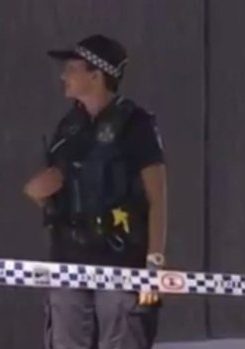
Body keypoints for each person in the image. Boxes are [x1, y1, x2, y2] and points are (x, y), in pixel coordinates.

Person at [23, 34, 167, 349]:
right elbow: (62, 197)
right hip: (68, 261)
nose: (64, 76)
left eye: (72, 68)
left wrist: (154, 264)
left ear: (96, 75)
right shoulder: (68, 126)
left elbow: (157, 197)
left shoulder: (136, 124)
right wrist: (40, 194)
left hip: (120, 261)